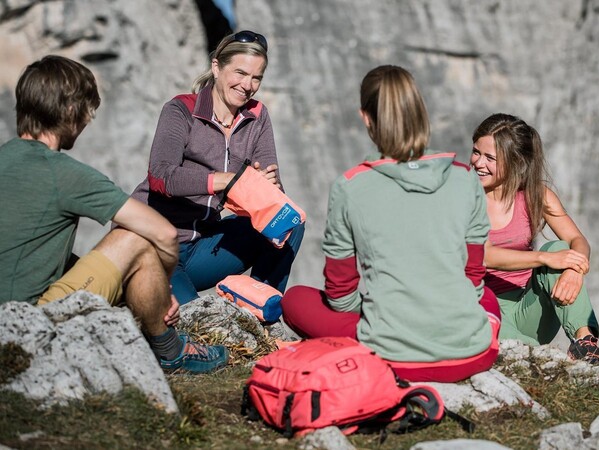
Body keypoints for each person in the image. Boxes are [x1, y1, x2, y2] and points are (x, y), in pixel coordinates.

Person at [0, 55, 228, 374]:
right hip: (26, 324)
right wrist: (163, 294)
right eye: (86, 113)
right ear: (69, 112)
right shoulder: (65, 173)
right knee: (134, 237)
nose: (86, 123)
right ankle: (172, 352)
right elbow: (161, 232)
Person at [280, 65, 500, 383]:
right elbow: (474, 278)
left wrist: (381, 309)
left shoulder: (351, 186)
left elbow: (340, 294)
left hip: (394, 356)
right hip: (471, 352)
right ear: (420, 111)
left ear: (366, 117)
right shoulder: (465, 177)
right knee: (489, 297)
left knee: (295, 299)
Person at [132, 30, 303, 306]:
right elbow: (160, 176)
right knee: (195, 322)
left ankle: (260, 309)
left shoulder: (257, 117)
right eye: (240, 73)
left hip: (204, 247)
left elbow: (271, 194)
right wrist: (227, 180)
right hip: (157, 247)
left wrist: (268, 187)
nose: (247, 85)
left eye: (256, 77)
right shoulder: (181, 110)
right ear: (216, 67)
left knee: (287, 222)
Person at [470, 113, 599, 363]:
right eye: (476, 152)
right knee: (553, 254)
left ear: (515, 161)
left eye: (490, 158)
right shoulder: (463, 196)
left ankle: (585, 345)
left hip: (529, 309)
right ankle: (540, 357)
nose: (478, 163)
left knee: (561, 246)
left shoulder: (536, 195)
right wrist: (545, 257)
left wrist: (575, 269)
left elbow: (578, 241)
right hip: (482, 307)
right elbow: (482, 255)